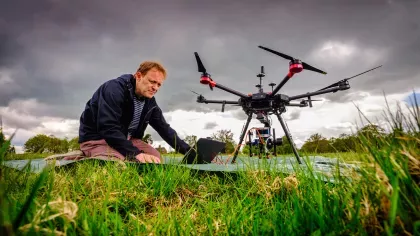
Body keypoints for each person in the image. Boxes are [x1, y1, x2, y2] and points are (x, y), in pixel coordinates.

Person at [77, 61, 193, 163]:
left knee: (156, 159)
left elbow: (165, 129)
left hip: (127, 140)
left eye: (159, 84)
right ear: (138, 76)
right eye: (152, 81)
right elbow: (108, 127)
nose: (155, 88)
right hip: (98, 139)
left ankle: (119, 153)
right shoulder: (114, 89)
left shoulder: (149, 101)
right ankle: (84, 154)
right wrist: (135, 153)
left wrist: (191, 152)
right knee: (117, 164)